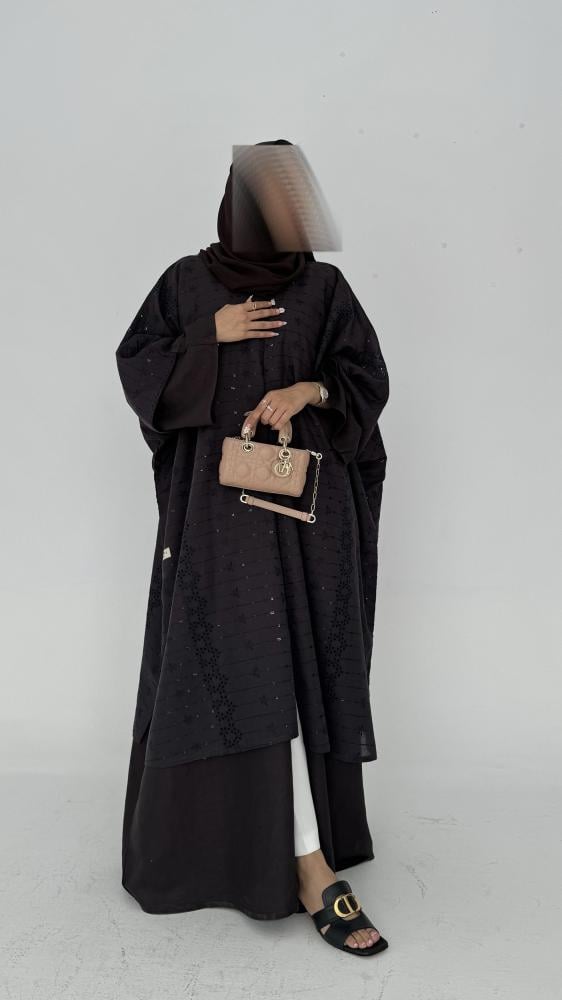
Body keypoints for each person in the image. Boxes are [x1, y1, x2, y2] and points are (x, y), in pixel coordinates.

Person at [116, 139, 390, 957]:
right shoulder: (186, 284)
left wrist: (309, 389)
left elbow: (367, 379)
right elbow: (140, 374)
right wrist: (209, 335)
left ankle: (302, 851)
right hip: (215, 527)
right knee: (237, 671)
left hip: (307, 522)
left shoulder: (323, 289)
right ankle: (304, 864)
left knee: (294, 671)